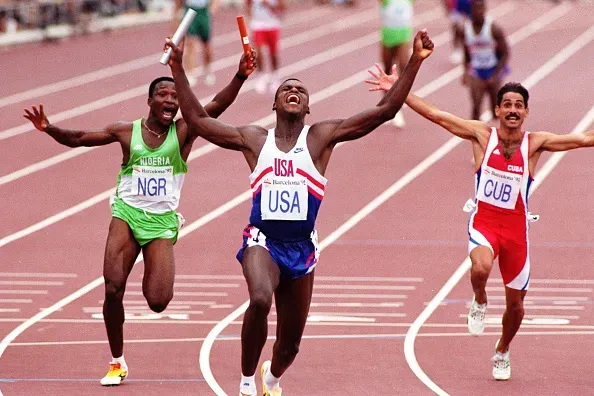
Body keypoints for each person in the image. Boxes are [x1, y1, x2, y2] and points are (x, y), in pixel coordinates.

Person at [163, 28, 433, 395]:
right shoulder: (254, 139)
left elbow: (384, 111)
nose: (293, 91)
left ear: (308, 108)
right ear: (274, 105)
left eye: (301, 91)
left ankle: (270, 379)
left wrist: (414, 61)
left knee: (289, 345)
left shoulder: (321, 138)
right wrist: (178, 67)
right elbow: (197, 121)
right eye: (286, 89)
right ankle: (245, 384)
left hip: (302, 249)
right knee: (259, 297)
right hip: (263, 240)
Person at [22, 50, 257, 387]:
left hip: (161, 222)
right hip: (127, 214)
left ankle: (149, 283)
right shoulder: (125, 132)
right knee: (113, 286)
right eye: (163, 94)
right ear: (149, 101)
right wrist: (48, 128)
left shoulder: (184, 132)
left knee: (159, 301)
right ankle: (117, 361)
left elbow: (216, 107)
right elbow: (79, 139)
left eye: (175, 96)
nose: (171, 100)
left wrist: (240, 76)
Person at [366, 70, 594, 381]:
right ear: (497, 109)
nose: (512, 110)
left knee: (516, 310)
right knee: (481, 268)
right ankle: (480, 299)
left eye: (518, 106)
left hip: (516, 234)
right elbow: (437, 115)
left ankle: (502, 350)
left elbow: (583, 139)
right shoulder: (481, 136)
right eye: (507, 105)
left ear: (526, 112)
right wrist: (398, 89)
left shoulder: (536, 144)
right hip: (485, 223)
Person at [462, 0, 509, 121]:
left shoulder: (494, 29)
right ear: (471, 11)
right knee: (476, 106)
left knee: (497, 110)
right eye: (475, 9)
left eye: (481, 8)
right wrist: (465, 71)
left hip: (493, 68)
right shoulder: (465, 29)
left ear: (484, 9)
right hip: (477, 70)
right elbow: (466, 53)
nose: (478, 12)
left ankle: (502, 137)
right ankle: (474, 136)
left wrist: (496, 75)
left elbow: (505, 53)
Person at [379, 0, 413, 128]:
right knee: (387, 71)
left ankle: (397, 108)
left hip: (403, 34)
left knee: (404, 67)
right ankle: (385, 105)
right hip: (387, 34)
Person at [174, 0, 219, 86]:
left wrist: (212, 10)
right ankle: (191, 73)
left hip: (203, 11)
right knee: (190, 44)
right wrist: (177, 13)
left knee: (207, 45)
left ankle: (208, 70)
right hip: (190, 10)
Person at [246, 0, 285, 93]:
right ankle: (260, 77)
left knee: (273, 54)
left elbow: (282, 7)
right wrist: (249, 20)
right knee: (258, 52)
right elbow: (247, 4)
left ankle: (274, 77)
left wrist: (269, 5)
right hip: (258, 25)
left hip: (273, 24)